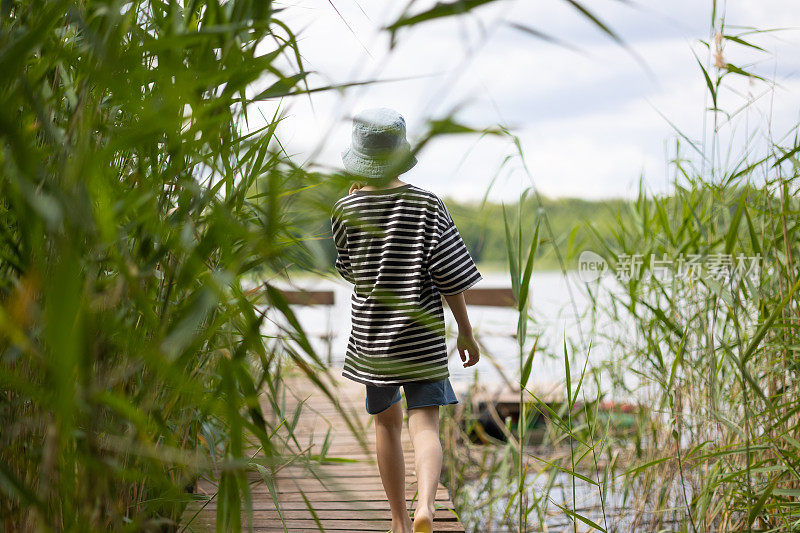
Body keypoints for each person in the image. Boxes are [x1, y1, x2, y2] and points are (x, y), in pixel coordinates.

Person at [330, 107, 482, 533]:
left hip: (374, 338)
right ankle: (426, 509)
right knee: (425, 425)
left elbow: (349, 269)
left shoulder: (345, 208)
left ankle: (398, 521)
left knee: (386, 425)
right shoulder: (427, 204)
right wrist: (466, 332)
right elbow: (450, 273)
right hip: (423, 338)